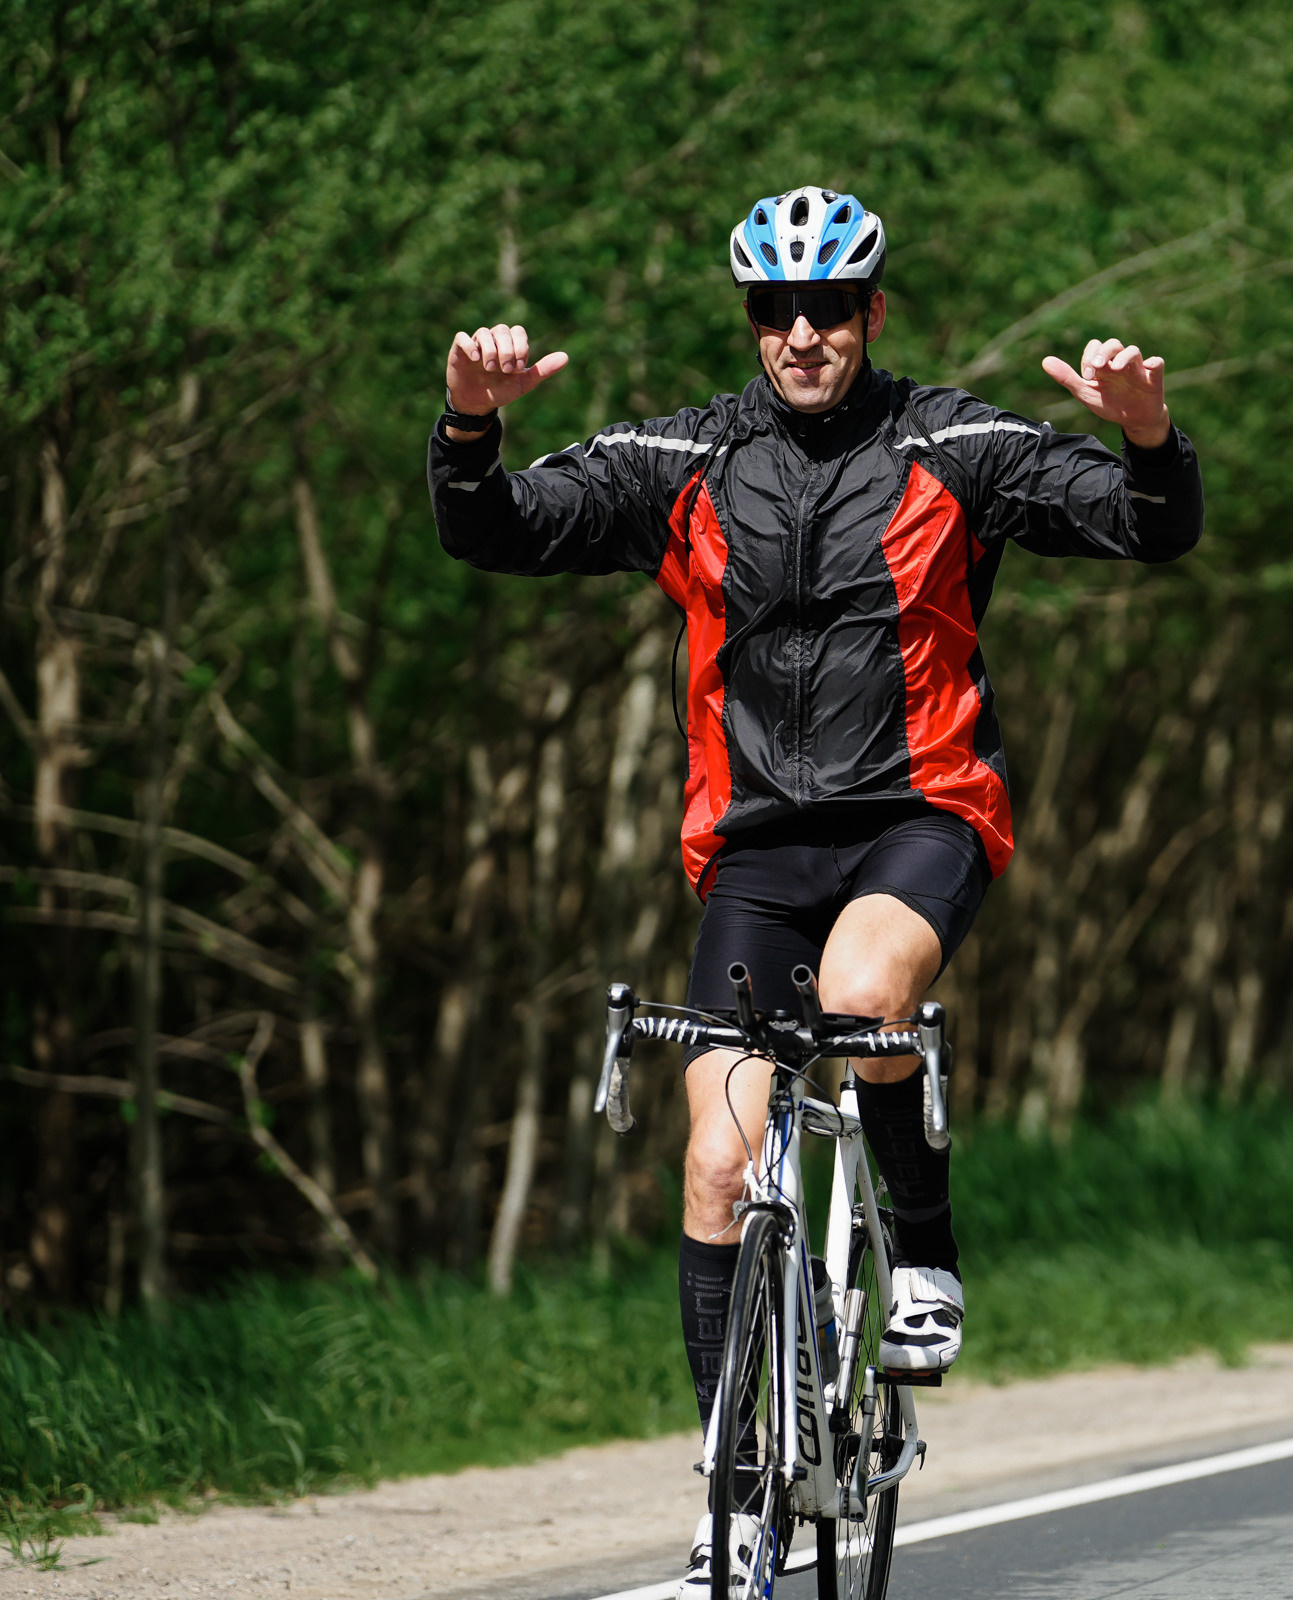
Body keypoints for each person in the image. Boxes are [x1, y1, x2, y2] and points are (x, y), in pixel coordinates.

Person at [430, 186, 1202, 1596]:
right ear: (751, 323)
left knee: (860, 998)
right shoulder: (683, 456)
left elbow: (1147, 528)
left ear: (871, 316)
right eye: (775, 311)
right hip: (757, 851)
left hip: (922, 819)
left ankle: (924, 1248)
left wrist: (1147, 438)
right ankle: (735, 1482)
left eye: (828, 309)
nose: (801, 334)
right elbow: (492, 530)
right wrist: (470, 425)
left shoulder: (955, 445)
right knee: (718, 1156)